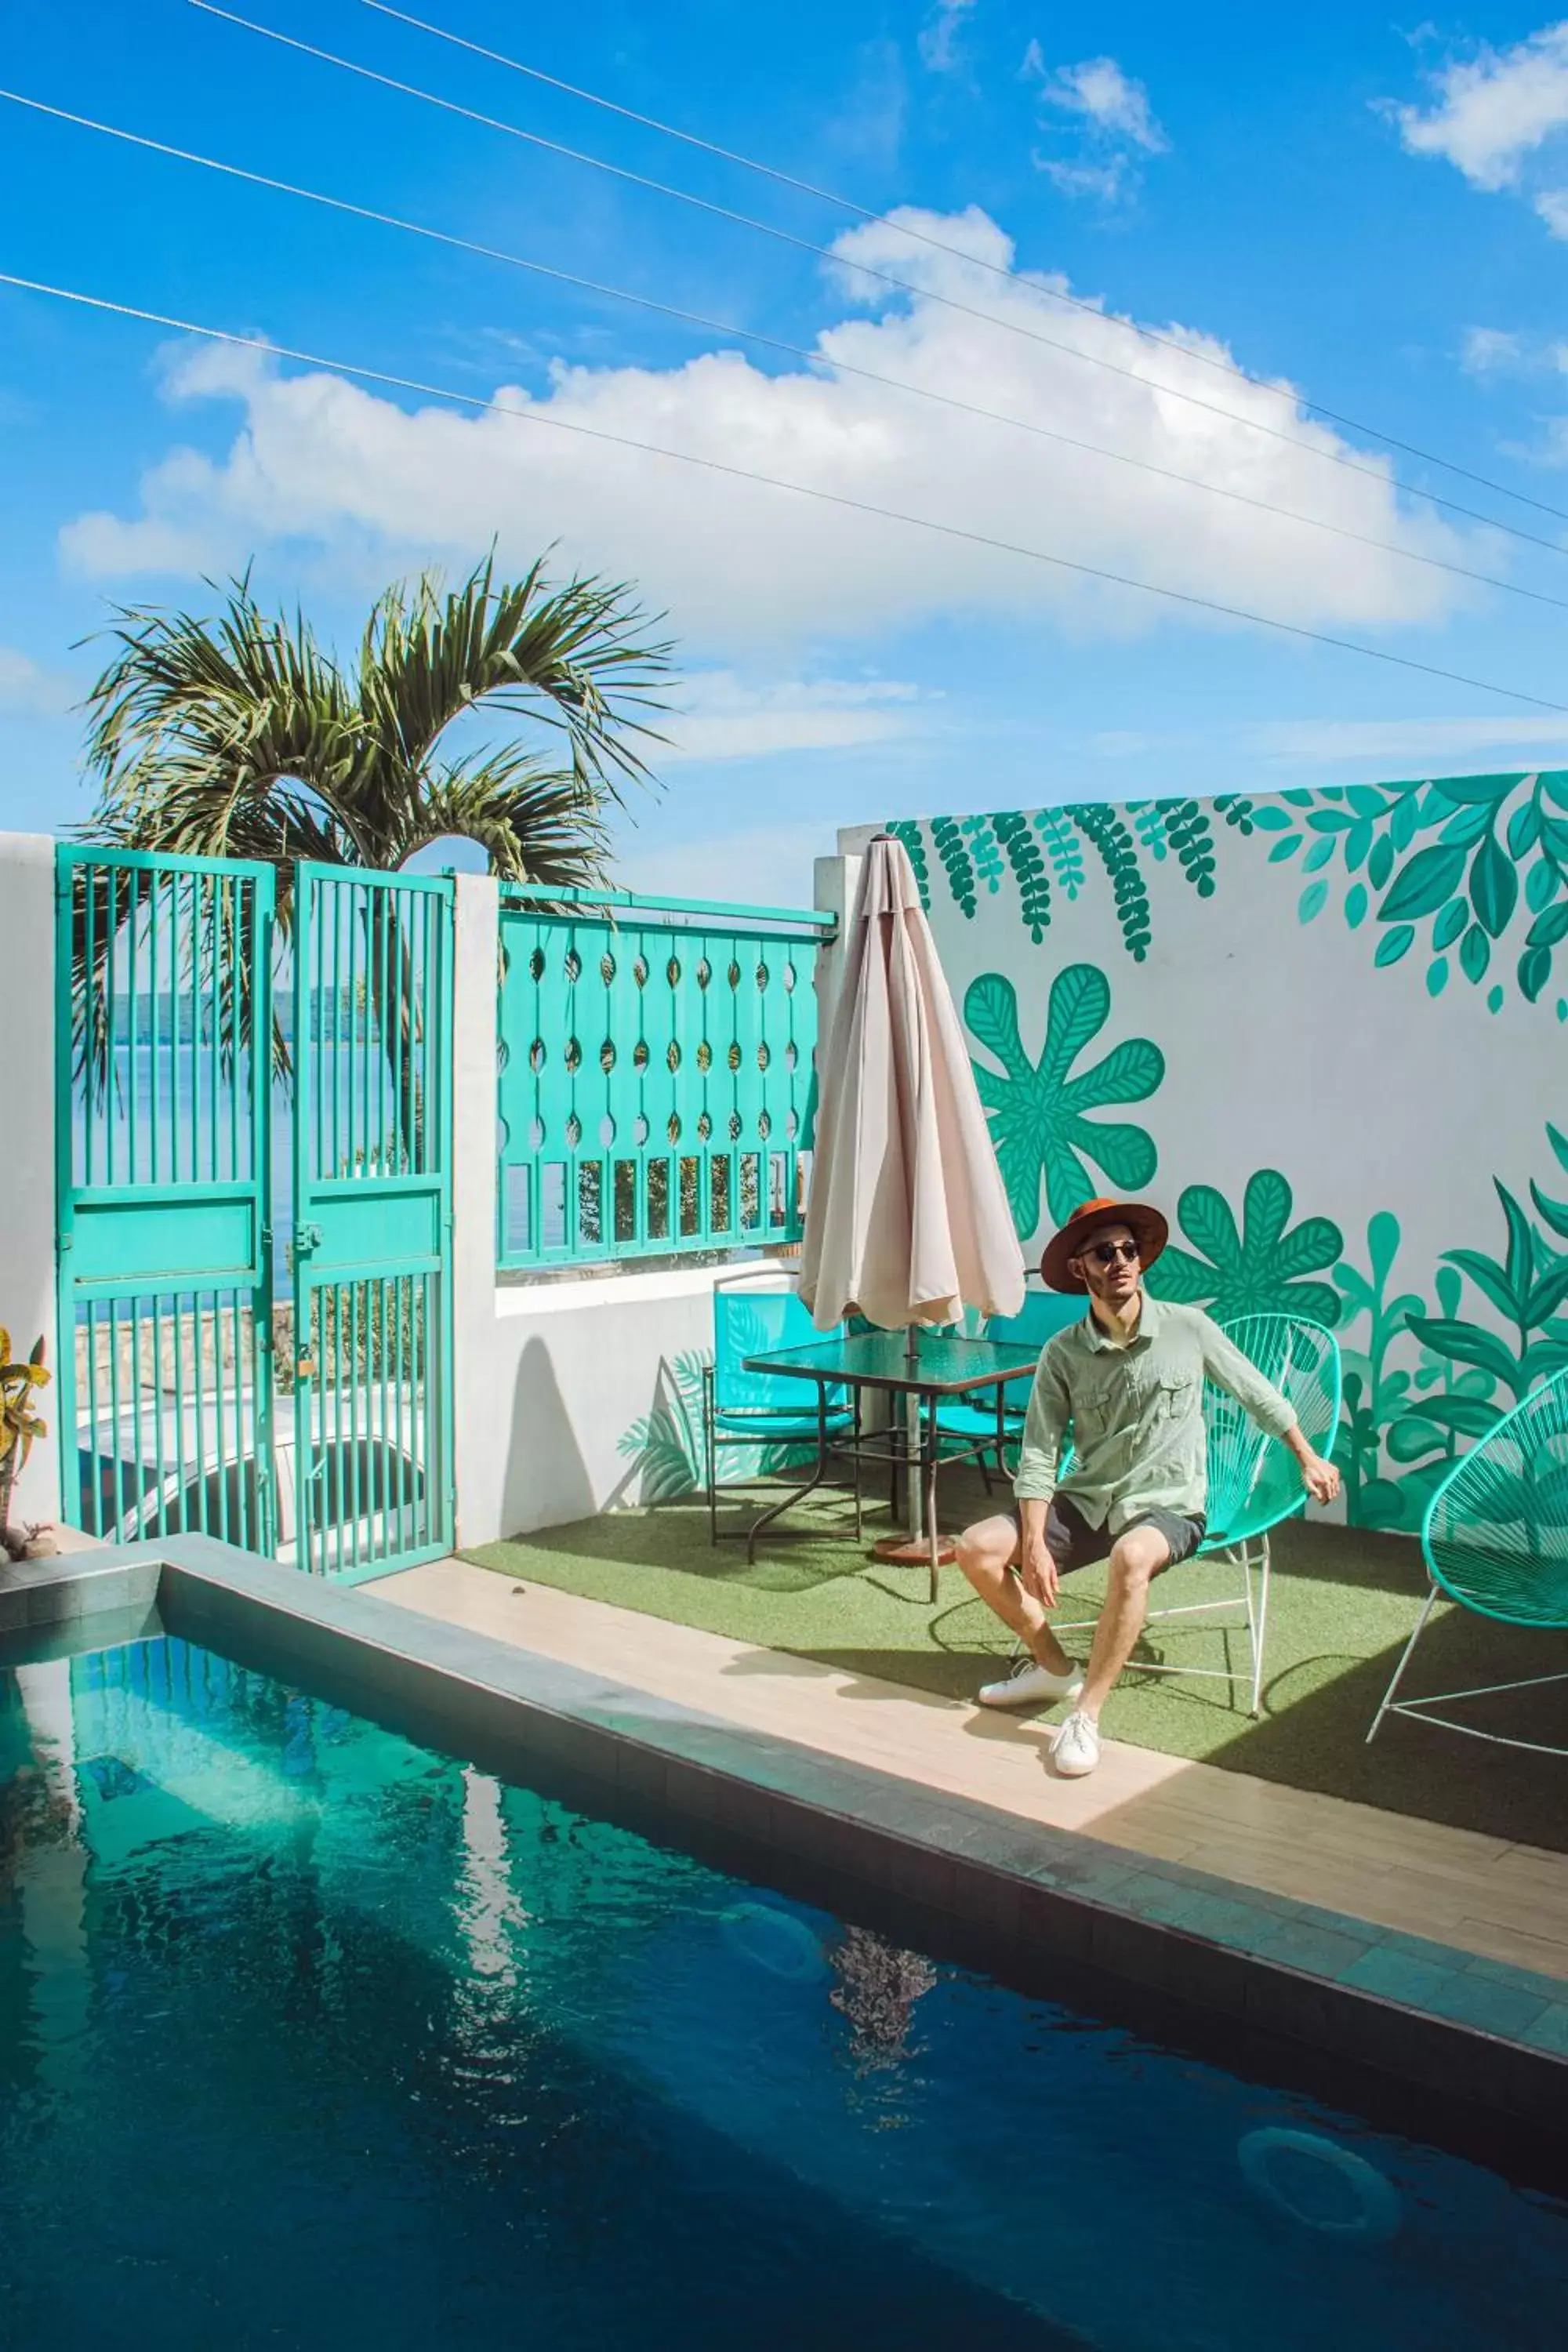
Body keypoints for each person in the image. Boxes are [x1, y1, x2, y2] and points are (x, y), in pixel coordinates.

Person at [954, 1195, 1341, 1780]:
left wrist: (1307, 1456)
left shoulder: (1189, 1328)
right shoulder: (1062, 1353)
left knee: (1131, 1557)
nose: (1120, 1262)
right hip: (1088, 1499)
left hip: (1171, 1506)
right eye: (1104, 1253)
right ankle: (1055, 1669)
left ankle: (1086, 1715)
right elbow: (1039, 1452)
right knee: (975, 1548)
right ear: (1081, 1267)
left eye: (1129, 1250)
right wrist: (1033, 1540)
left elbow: (1256, 1392)